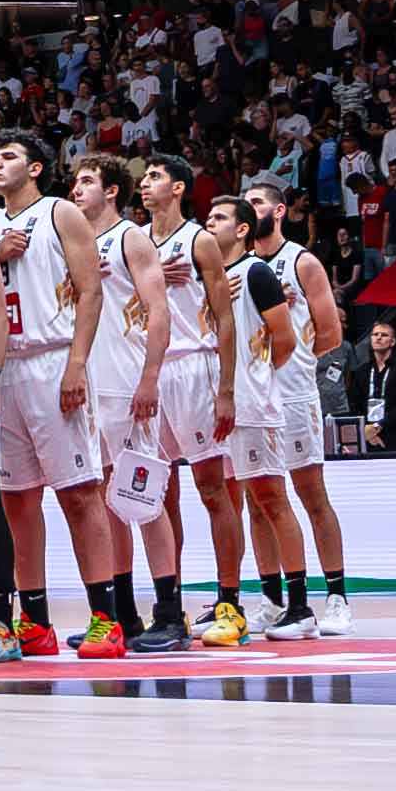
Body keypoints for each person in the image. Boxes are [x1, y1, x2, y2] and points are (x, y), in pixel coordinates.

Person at [0, 130, 121, 658]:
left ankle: (106, 618)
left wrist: (77, 364)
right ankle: (34, 622)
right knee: (16, 498)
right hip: (5, 364)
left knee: (80, 493)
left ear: (35, 168)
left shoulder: (60, 213)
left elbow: (91, 290)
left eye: (9, 156)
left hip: (53, 358)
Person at [140, 157, 256, 648]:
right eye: (143, 177)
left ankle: (230, 603)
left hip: (195, 366)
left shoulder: (199, 240)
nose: (145, 184)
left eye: (155, 177)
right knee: (157, 495)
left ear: (178, 188)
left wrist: (226, 389)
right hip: (149, 370)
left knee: (213, 489)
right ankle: (170, 608)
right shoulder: (135, 241)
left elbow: (225, 318)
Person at [66, 150, 178, 651]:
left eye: (87, 181)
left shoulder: (130, 237)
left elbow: (159, 312)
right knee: (106, 501)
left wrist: (150, 377)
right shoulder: (71, 241)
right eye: (75, 182)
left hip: (128, 382)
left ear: (111, 190)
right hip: (88, 387)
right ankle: (123, 614)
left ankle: (170, 613)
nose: (76, 190)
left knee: (144, 499)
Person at [238, 182, 350, 634]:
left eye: (258, 202)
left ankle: (338, 598)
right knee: (258, 502)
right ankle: (271, 599)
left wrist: (295, 360)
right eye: (246, 203)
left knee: (312, 496)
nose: (251, 208)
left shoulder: (301, 261)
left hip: (293, 395)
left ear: (280, 210)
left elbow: (332, 334)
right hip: (251, 396)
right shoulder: (239, 266)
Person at [346, 321, 396, 452]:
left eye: (384, 335)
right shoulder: (362, 371)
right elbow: (354, 403)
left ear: (392, 342)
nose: (379, 337)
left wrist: (379, 425)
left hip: (394, 432)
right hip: (367, 434)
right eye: (375, 334)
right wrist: (367, 430)